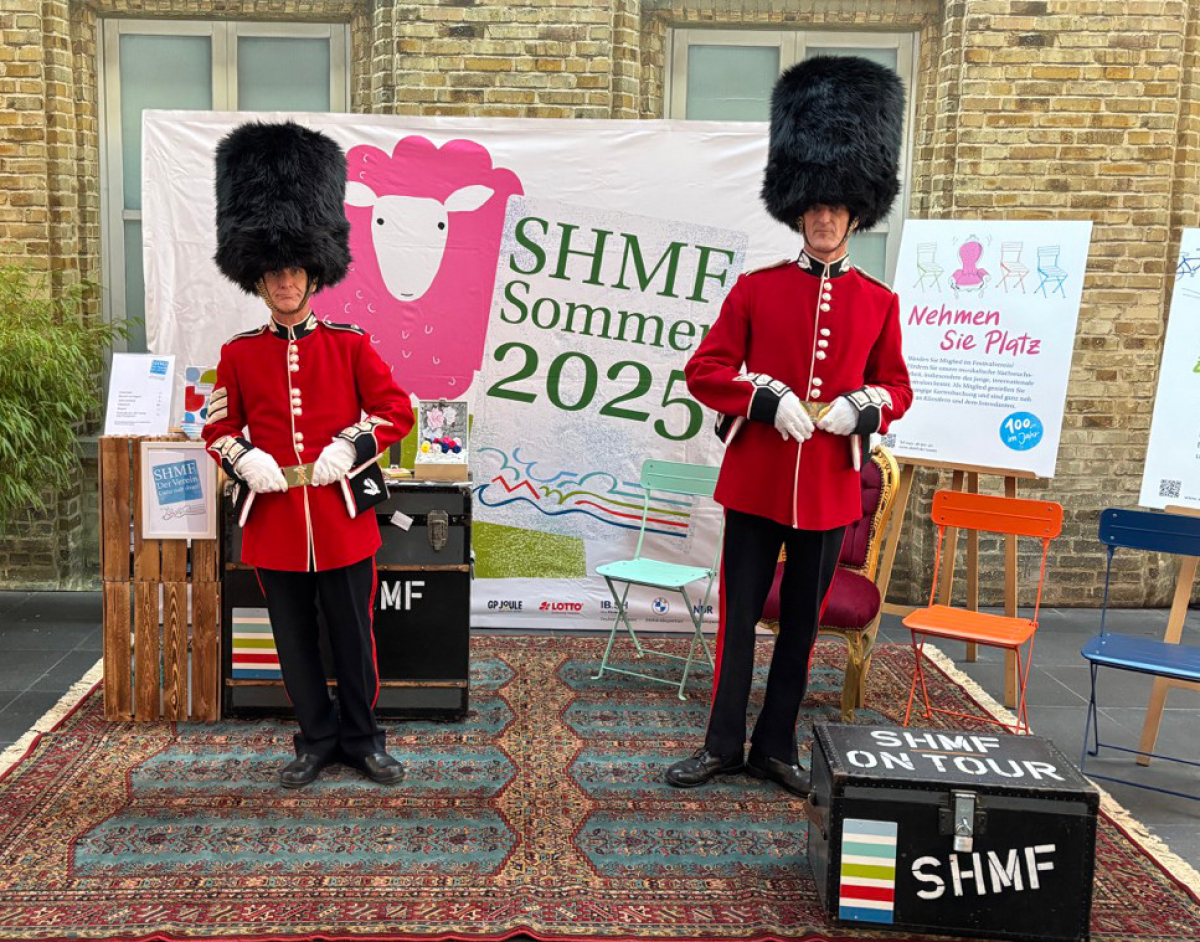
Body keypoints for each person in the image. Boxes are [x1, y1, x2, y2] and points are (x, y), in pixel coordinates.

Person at [666, 56, 913, 797]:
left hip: (830, 490)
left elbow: (898, 388)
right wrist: (765, 398)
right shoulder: (756, 289)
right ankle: (720, 745)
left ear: (857, 213)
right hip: (756, 482)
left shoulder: (879, 302)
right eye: (814, 206)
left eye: (837, 207)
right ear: (796, 208)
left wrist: (860, 407)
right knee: (737, 619)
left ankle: (775, 746)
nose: (824, 218)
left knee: (802, 628)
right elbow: (705, 371)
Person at [203, 122, 415, 789]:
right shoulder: (238, 354)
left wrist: (350, 445)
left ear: (313, 274)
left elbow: (397, 411)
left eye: (294, 270)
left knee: (353, 638)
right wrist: (243, 458)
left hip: (339, 514)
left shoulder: (350, 345)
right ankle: (315, 740)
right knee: (293, 644)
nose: (285, 281)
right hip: (274, 522)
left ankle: (364, 739)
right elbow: (217, 428)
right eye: (274, 272)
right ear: (259, 280)